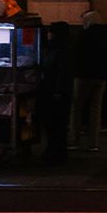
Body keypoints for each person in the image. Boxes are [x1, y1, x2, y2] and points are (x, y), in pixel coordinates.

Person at [69, 9, 107, 152]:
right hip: (100, 77)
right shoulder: (106, 36)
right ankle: (94, 143)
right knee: (95, 110)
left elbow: (76, 55)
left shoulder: (83, 35)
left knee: (77, 108)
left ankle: (74, 140)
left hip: (83, 76)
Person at [39, 21, 71, 165]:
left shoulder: (61, 50)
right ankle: (55, 151)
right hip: (51, 90)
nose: (48, 34)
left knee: (55, 124)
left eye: (50, 32)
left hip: (56, 92)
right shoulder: (54, 48)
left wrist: (58, 90)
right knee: (53, 124)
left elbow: (64, 73)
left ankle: (56, 153)